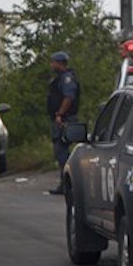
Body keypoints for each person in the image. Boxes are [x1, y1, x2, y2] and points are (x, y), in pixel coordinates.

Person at [47, 51, 80, 195]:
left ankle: (67, 184)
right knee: (60, 151)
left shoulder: (66, 79)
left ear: (60, 63)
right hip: (61, 118)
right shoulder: (60, 78)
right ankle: (65, 183)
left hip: (64, 119)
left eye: (53, 62)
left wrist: (60, 114)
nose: (51, 65)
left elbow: (69, 97)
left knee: (62, 151)